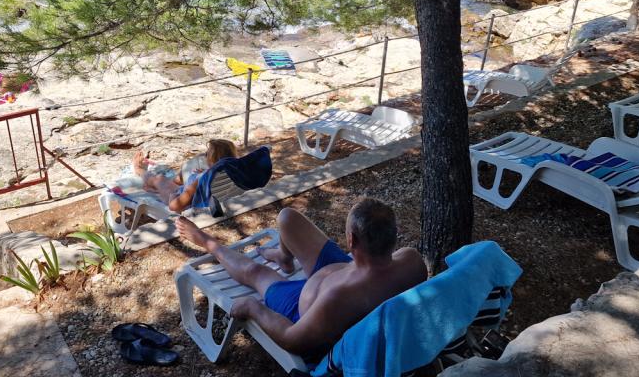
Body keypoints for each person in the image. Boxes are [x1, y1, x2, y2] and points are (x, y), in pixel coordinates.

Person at [176, 198, 427, 358]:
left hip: (302, 308)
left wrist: (254, 308)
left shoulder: (338, 299)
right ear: (393, 236)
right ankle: (283, 257)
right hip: (348, 268)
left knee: (257, 273)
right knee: (288, 219)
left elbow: (292, 340)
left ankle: (207, 242)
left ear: (351, 240)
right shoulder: (412, 260)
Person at [132, 139, 238, 213]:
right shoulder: (235, 173)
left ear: (212, 160)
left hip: (187, 209)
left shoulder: (202, 179)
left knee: (160, 180)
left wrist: (175, 195)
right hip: (212, 204)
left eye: (207, 154)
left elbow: (174, 206)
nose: (204, 157)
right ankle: (153, 186)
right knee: (174, 181)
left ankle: (139, 170)